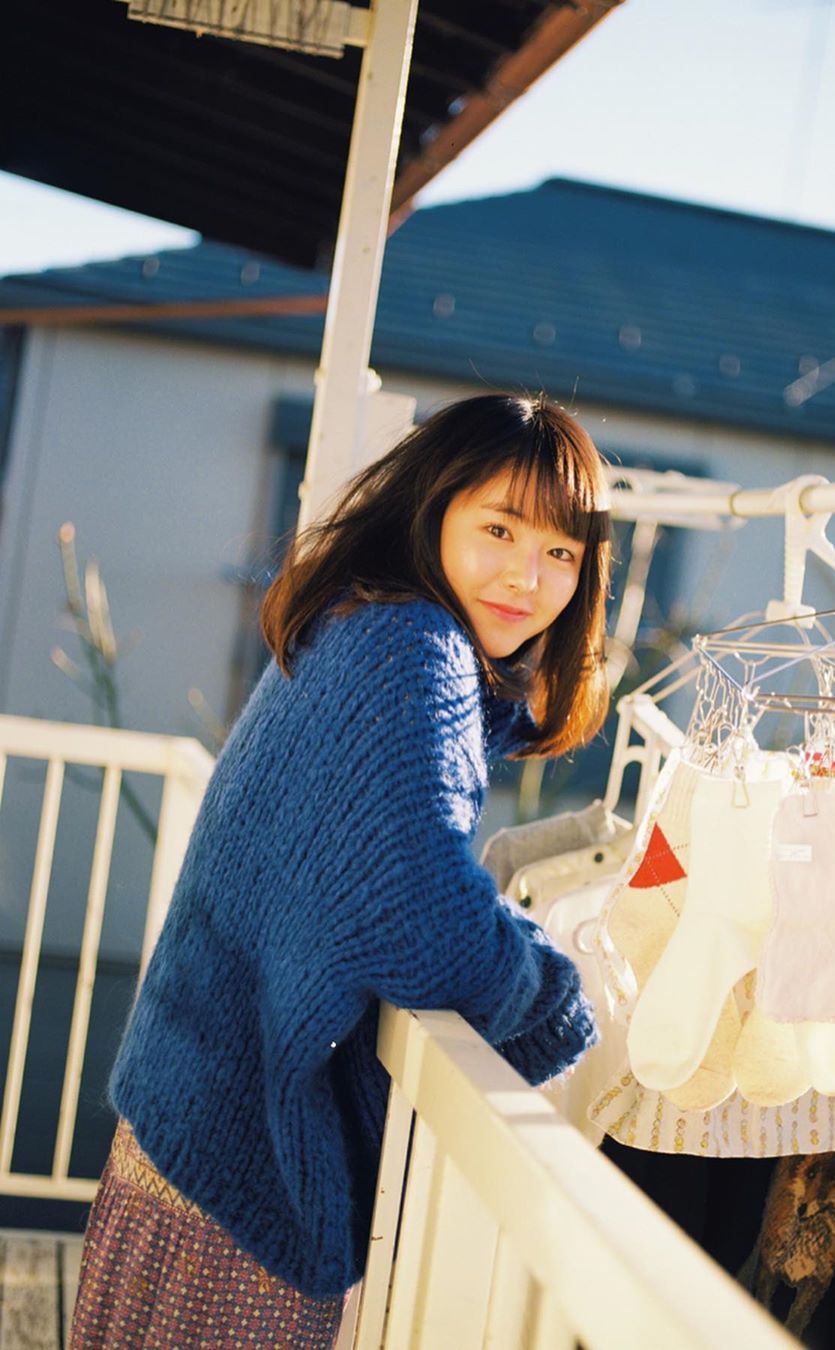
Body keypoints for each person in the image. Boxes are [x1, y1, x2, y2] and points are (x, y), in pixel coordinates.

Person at [70, 393, 612, 1347]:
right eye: (499, 529)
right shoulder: (412, 648)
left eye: (561, 552)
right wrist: (556, 994)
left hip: (192, 1137)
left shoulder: (367, 624)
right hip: (233, 1190)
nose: (528, 577)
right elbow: (423, 921)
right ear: (432, 508)